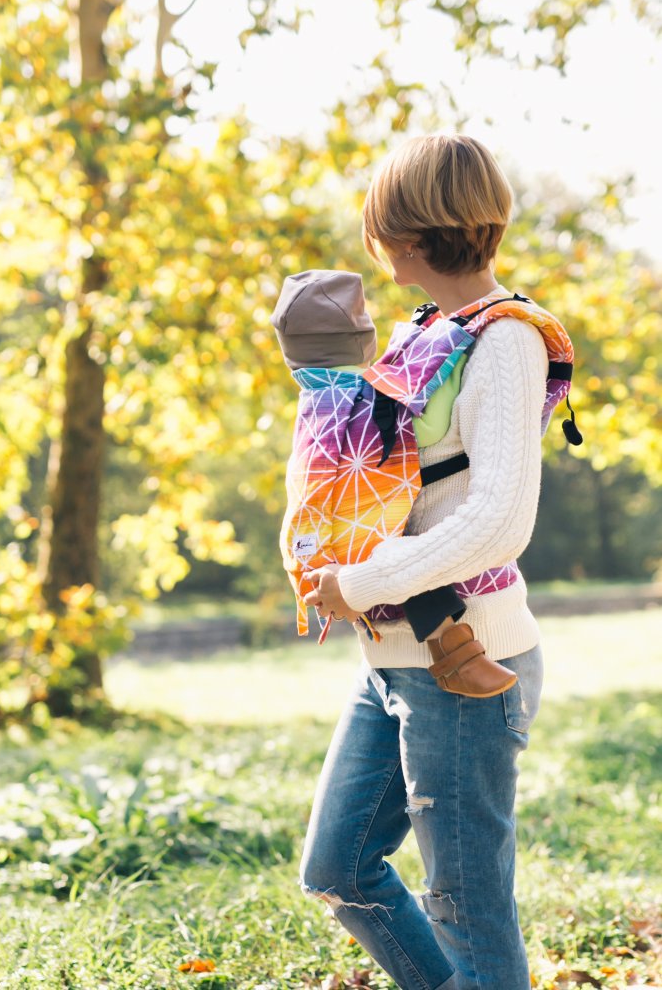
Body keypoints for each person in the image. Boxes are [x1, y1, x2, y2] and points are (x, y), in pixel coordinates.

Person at [298, 133, 564, 989]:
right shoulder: (428, 332)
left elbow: (496, 522)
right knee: (338, 869)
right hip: (394, 658)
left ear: (405, 236)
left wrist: (361, 582)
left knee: (467, 908)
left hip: (463, 658)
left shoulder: (505, 342)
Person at [272, 268, 518, 698]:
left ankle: (456, 656)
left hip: (313, 540)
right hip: (363, 524)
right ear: (366, 342)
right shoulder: (369, 393)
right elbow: (428, 428)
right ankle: (458, 655)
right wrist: (455, 367)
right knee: (409, 566)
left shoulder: (310, 398)